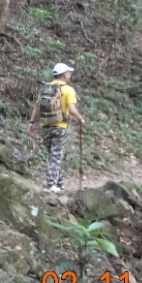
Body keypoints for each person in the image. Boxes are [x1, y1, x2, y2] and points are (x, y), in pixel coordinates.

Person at [27, 62, 86, 193]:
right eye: (69, 73)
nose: (70, 75)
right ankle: (49, 185)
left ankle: (59, 182)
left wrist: (31, 122)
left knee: (53, 155)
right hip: (60, 127)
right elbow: (71, 109)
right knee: (56, 156)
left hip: (45, 125)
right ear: (64, 75)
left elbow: (37, 107)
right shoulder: (68, 90)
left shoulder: (46, 88)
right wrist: (80, 119)